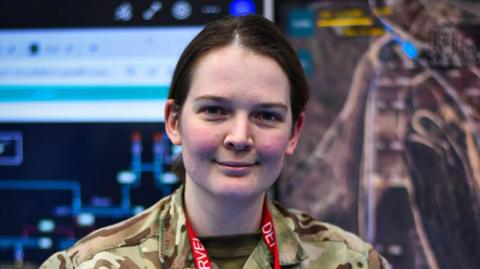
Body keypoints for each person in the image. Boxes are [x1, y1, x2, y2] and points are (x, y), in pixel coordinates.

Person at [41, 15, 391, 269]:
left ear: (295, 132)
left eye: (266, 116)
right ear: (174, 122)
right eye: (214, 110)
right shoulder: (89, 264)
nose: (239, 137)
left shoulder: (351, 261)